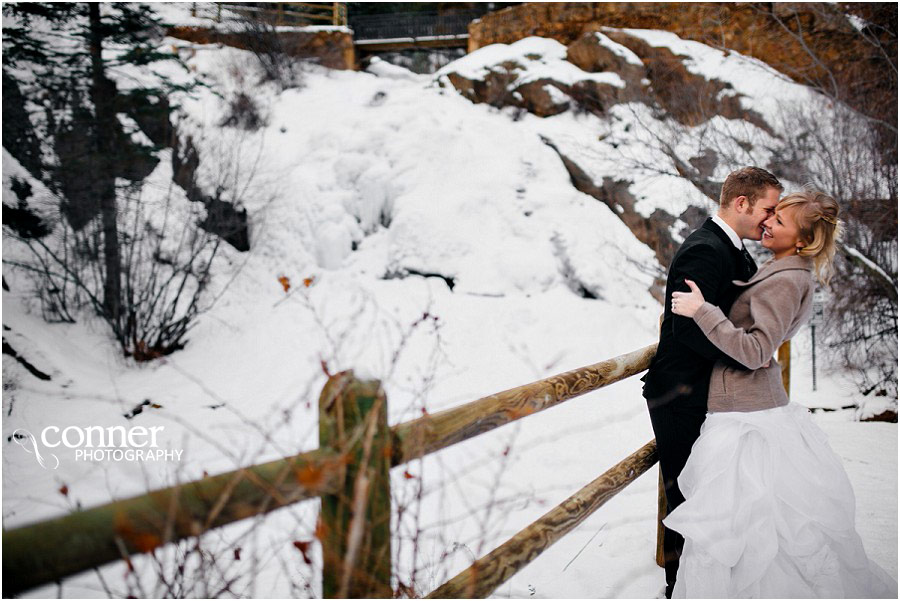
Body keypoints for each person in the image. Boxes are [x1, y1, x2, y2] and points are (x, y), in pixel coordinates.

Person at [665, 190, 897, 598]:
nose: (768, 222)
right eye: (771, 213)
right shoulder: (783, 269)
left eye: (779, 220)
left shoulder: (788, 279)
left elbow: (755, 351)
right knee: (752, 522)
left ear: (802, 241)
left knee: (742, 524)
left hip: (745, 414)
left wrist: (703, 310)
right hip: (747, 405)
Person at [642, 166, 783, 597]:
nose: (771, 219)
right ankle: (677, 586)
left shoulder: (733, 248)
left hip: (706, 391)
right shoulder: (704, 250)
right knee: (686, 494)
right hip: (681, 392)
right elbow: (687, 329)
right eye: (768, 209)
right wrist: (748, 359)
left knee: (711, 493)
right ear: (741, 203)